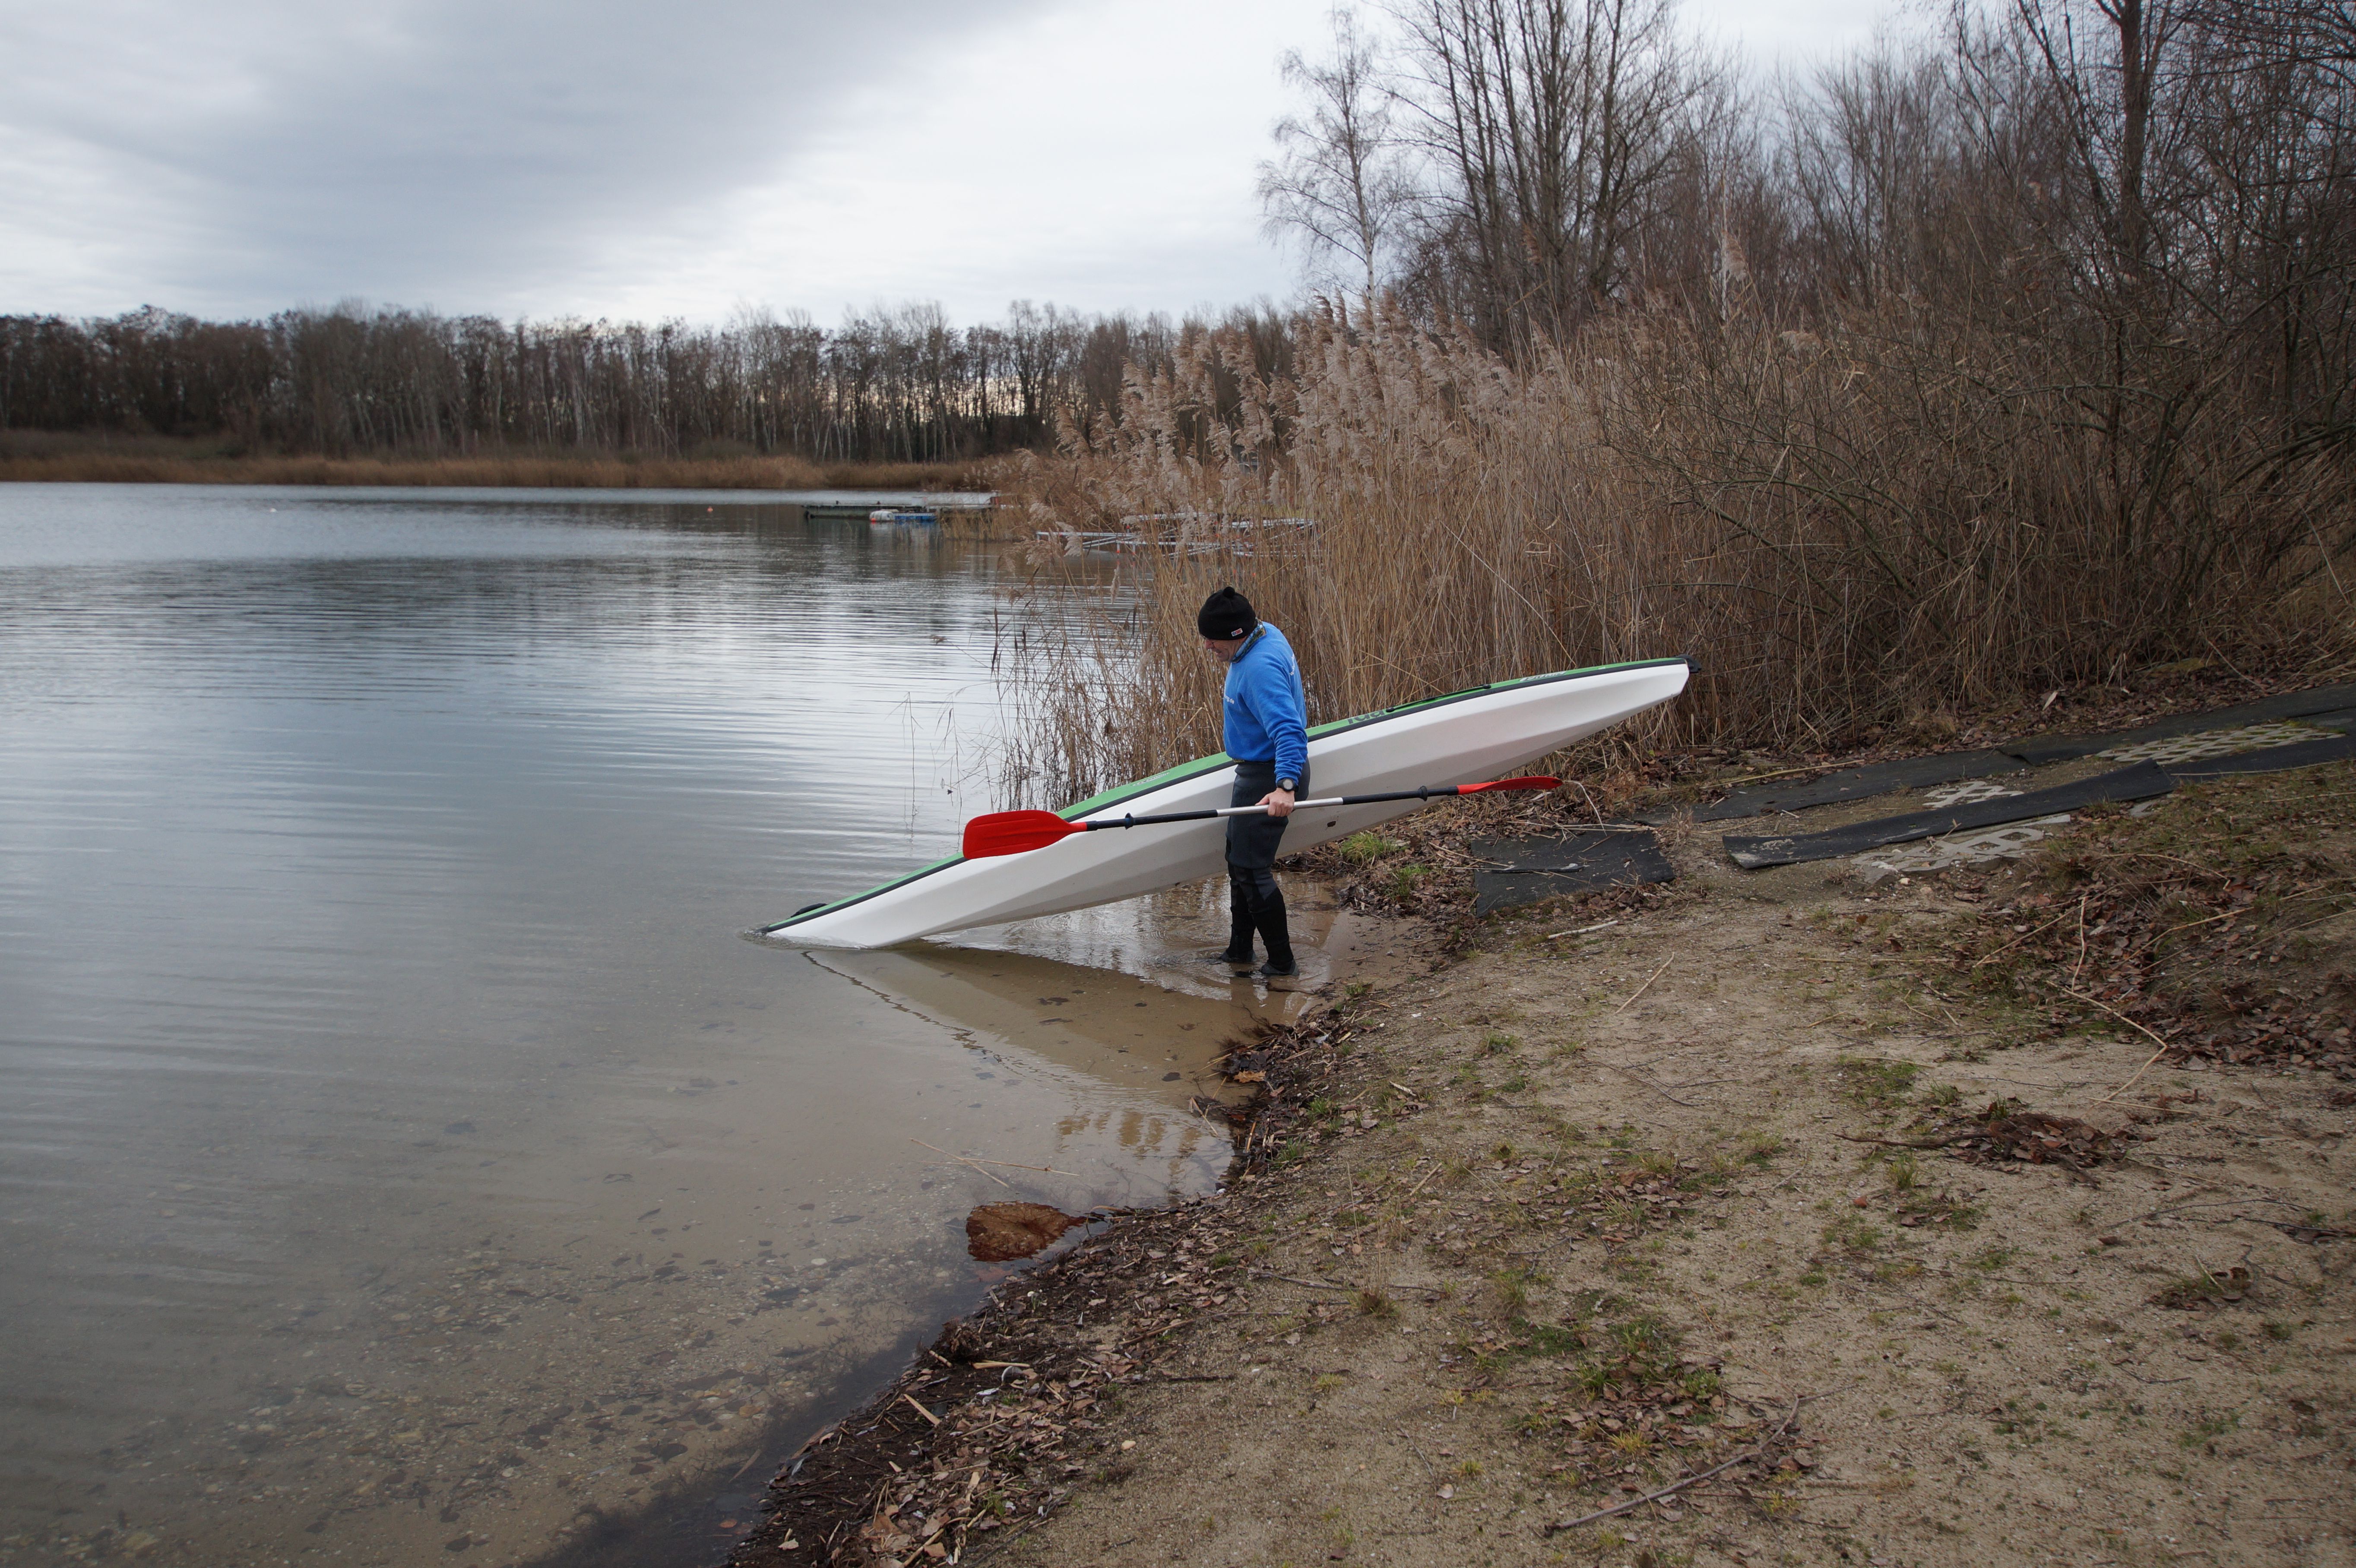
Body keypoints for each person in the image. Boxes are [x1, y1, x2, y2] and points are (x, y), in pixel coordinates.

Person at [1197, 585, 1308, 977]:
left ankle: (1282, 964)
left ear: (1236, 636)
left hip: (1269, 775)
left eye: (1212, 640)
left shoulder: (1259, 669)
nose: (1208, 646)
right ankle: (1239, 952)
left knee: (1251, 869)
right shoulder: (1265, 632)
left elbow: (1290, 732)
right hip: (1255, 770)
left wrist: (1286, 786)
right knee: (1238, 863)